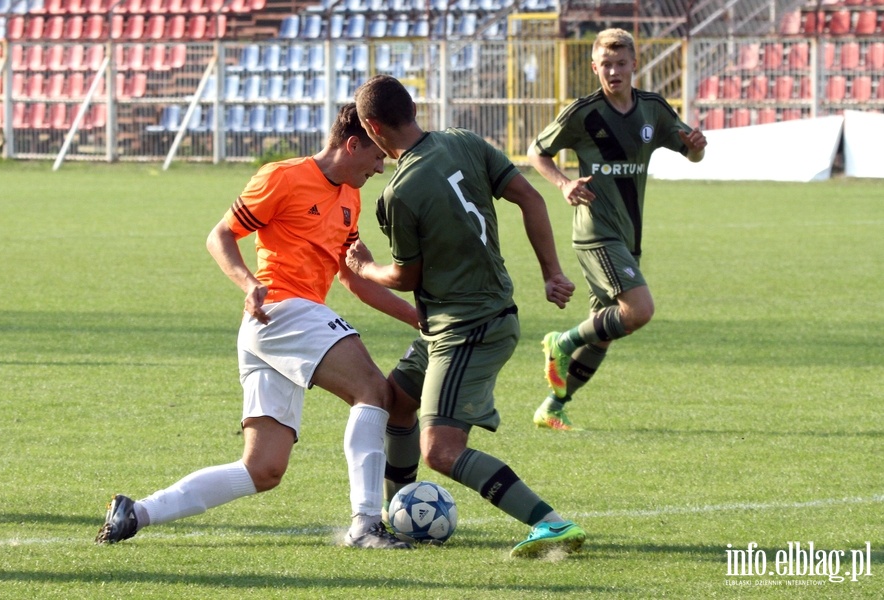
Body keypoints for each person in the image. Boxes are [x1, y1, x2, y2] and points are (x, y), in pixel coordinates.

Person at [95, 103, 418, 550]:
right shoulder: (283, 176)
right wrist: (248, 283)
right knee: (374, 392)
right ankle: (366, 523)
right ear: (351, 143)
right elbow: (220, 236)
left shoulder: (351, 196)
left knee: (262, 469)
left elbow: (354, 280)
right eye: (377, 154)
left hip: (276, 328)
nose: (382, 165)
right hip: (283, 309)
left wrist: (419, 320)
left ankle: (137, 512)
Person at [348, 74, 586, 558]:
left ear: (372, 128)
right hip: (462, 320)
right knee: (397, 399)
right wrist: (551, 273)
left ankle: (550, 523)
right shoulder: (464, 141)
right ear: (412, 110)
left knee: (441, 450)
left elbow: (406, 276)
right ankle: (400, 509)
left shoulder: (399, 194)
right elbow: (532, 198)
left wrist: (364, 267)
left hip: (467, 329)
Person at [526, 28, 708, 431]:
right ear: (594, 67)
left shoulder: (653, 110)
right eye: (605, 65)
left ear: (633, 65)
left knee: (605, 331)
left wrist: (697, 145)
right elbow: (537, 151)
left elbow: (693, 154)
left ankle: (553, 406)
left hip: (628, 235)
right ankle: (561, 342)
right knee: (638, 311)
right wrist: (564, 184)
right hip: (595, 232)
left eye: (620, 63)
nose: (613, 71)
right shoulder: (583, 112)